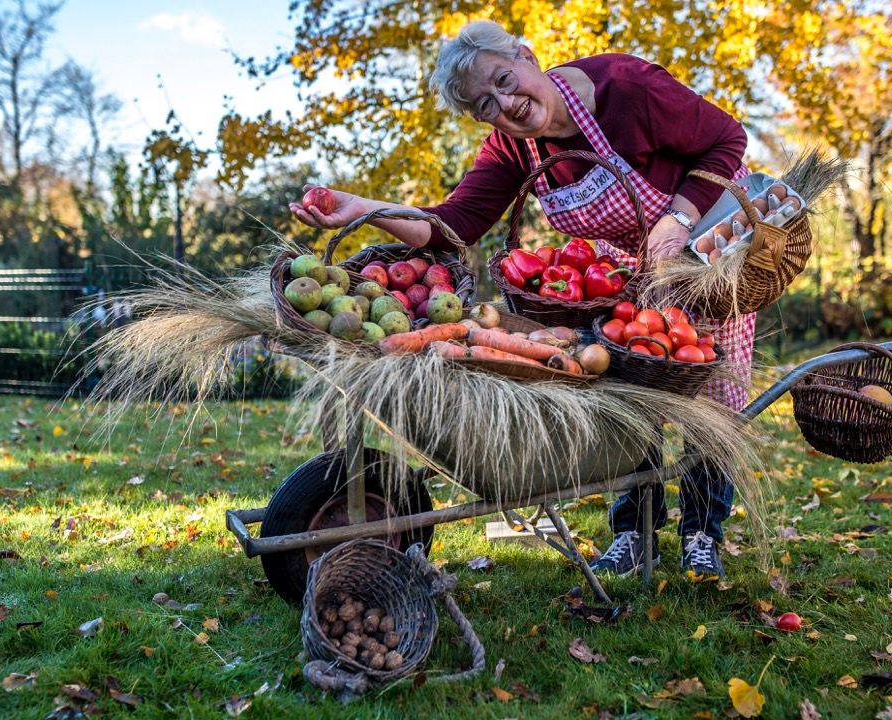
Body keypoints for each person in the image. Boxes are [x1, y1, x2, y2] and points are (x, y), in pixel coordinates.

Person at [290, 20, 755, 583]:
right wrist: (361, 206)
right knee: (629, 397)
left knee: (708, 396)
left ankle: (703, 532)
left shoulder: (625, 88)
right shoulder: (513, 146)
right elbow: (453, 225)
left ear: (527, 56)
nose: (507, 103)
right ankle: (634, 531)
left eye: (506, 81)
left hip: (707, 248)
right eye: (487, 104)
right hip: (618, 276)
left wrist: (679, 219)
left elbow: (728, 140)